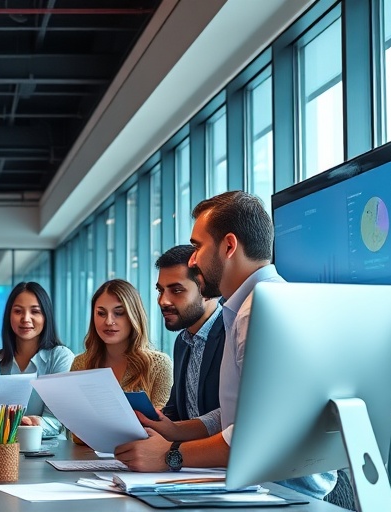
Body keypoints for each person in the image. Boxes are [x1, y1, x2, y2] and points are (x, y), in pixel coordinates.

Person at [114, 191, 336, 500]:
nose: (193, 259)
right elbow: (245, 413)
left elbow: (257, 436)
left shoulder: (259, 311)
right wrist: (178, 431)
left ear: (229, 246)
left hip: (279, 493)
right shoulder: (254, 305)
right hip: (264, 487)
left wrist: (170, 454)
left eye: (197, 246)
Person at [71, 279, 173, 407]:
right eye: (101, 313)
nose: (108, 321)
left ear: (134, 316)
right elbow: (71, 420)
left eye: (119, 313)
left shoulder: (159, 365)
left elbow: (163, 421)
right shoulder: (80, 364)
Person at [155, 245, 224, 423]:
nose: (163, 301)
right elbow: (177, 410)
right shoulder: (182, 342)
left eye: (176, 290)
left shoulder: (232, 332)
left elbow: (232, 419)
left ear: (206, 291)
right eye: (160, 290)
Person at [0, 282, 75, 438]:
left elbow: (56, 421)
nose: (25, 319)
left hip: (51, 452)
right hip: (3, 450)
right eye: (18, 311)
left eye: (35, 311)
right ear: (9, 316)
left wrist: (32, 423)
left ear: (46, 316)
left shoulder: (60, 357)